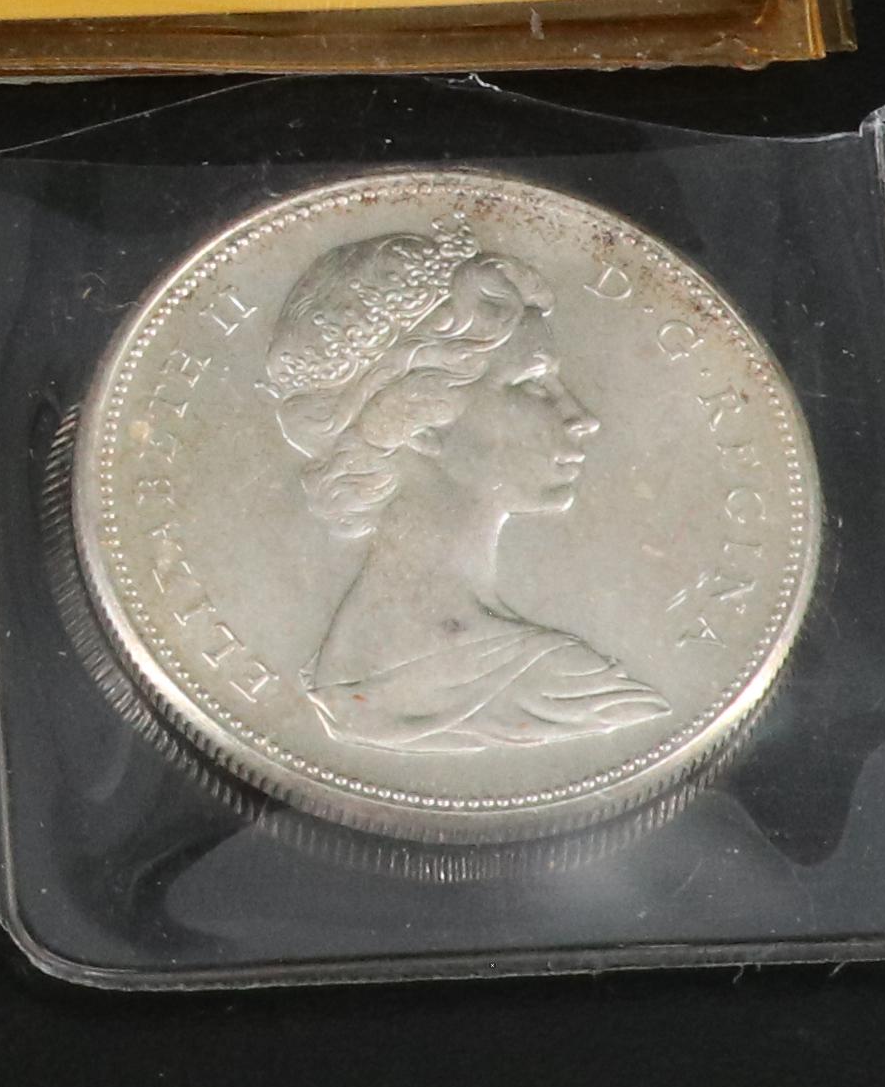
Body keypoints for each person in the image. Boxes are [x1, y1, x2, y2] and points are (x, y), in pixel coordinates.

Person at [259, 220, 673, 755]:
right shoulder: (565, 686)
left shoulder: (335, 669)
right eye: (531, 385)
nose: (581, 418)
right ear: (420, 420)